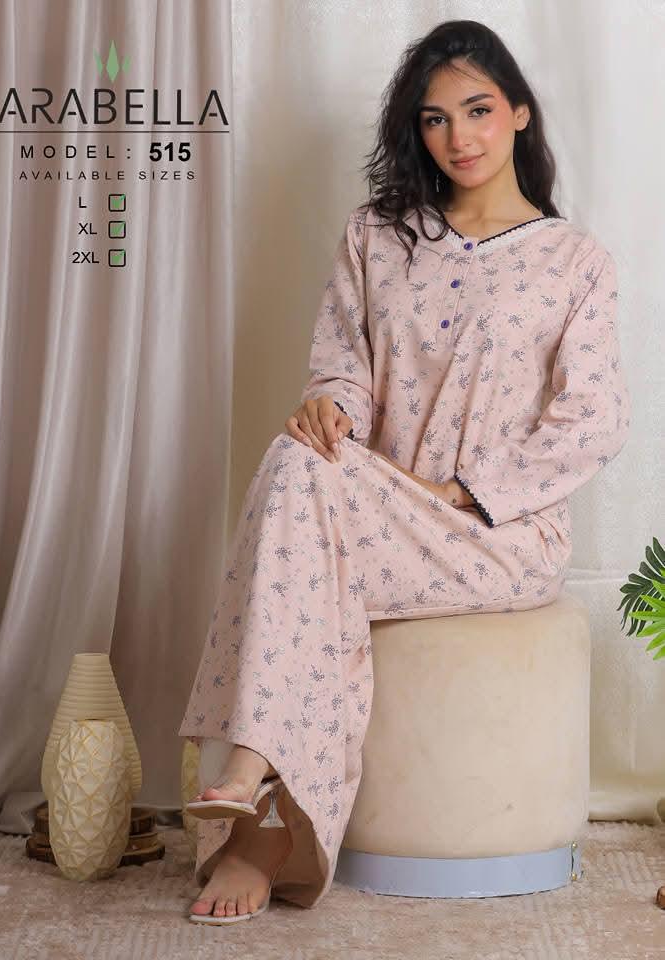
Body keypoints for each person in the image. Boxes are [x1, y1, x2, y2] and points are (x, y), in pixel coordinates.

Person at [179, 18, 631, 924]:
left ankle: (255, 803)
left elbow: (594, 420)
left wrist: (472, 492)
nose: (458, 137)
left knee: (306, 493)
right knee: (300, 453)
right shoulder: (378, 235)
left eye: (478, 110)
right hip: (372, 509)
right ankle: (260, 788)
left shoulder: (573, 260)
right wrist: (332, 409)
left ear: (520, 114)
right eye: (435, 119)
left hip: (496, 537)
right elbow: (342, 361)